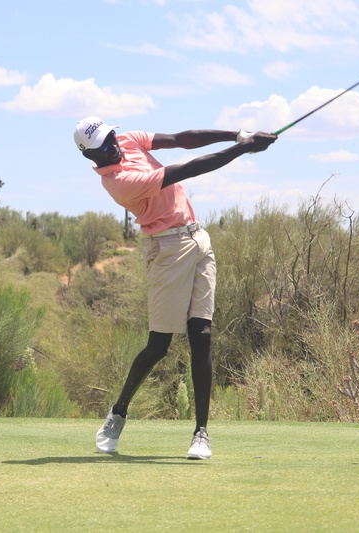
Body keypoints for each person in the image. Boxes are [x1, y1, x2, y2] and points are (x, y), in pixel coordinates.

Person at [73, 116, 276, 459]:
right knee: (159, 346)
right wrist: (243, 149)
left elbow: (181, 139)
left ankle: (201, 433)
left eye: (111, 137)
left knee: (202, 334)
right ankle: (118, 413)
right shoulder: (119, 183)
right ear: (91, 156)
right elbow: (188, 169)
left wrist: (237, 134)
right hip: (167, 250)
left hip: (198, 239)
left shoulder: (128, 140)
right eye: (104, 147)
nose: (114, 146)